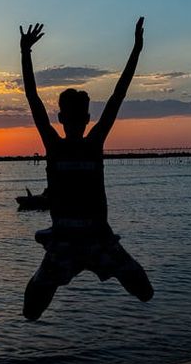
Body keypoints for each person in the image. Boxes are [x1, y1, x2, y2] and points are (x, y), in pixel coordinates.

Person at [20, 18, 154, 320]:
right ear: (62, 118)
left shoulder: (93, 143)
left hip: (98, 240)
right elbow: (33, 99)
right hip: (64, 244)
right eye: (72, 114)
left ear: (85, 117)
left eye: (79, 114)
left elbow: (120, 93)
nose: (76, 119)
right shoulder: (56, 146)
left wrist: (137, 49)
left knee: (145, 292)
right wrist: (25, 54)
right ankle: (46, 281)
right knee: (31, 311)